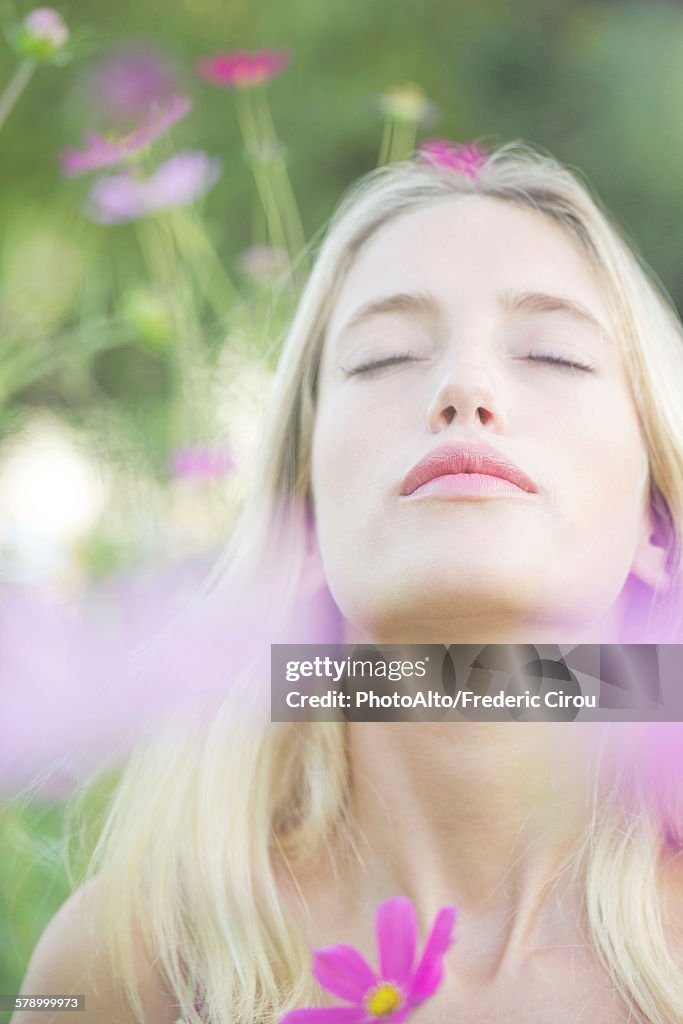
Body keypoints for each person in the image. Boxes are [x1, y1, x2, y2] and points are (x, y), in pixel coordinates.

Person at [12, 140, 683, 1024]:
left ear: (654, 524)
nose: (464, 386)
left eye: (554, 353)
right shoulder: (129, 961)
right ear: (306, 523)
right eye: (385, 356)